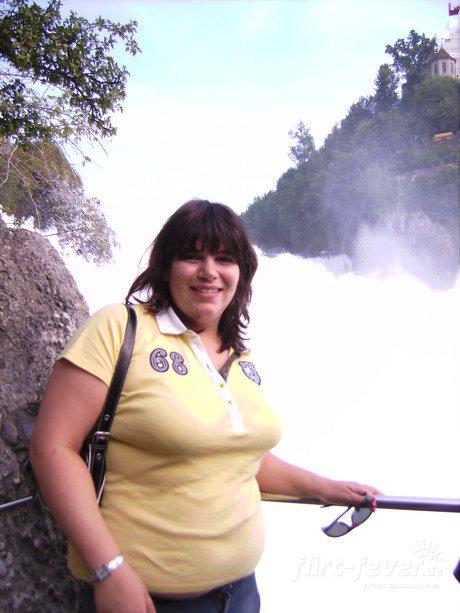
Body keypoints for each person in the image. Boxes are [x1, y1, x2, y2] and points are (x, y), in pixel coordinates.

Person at [30, 200, 379, 613]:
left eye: (225, 259)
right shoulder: (119, 329)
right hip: (145, 598)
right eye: (192, 256)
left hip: (241, 594)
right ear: (166, 267)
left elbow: (239, 457)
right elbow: (53, 448)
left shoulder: (241, 358)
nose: (209, 271)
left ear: (241, 273)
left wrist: (324, 487)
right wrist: (109, 569)